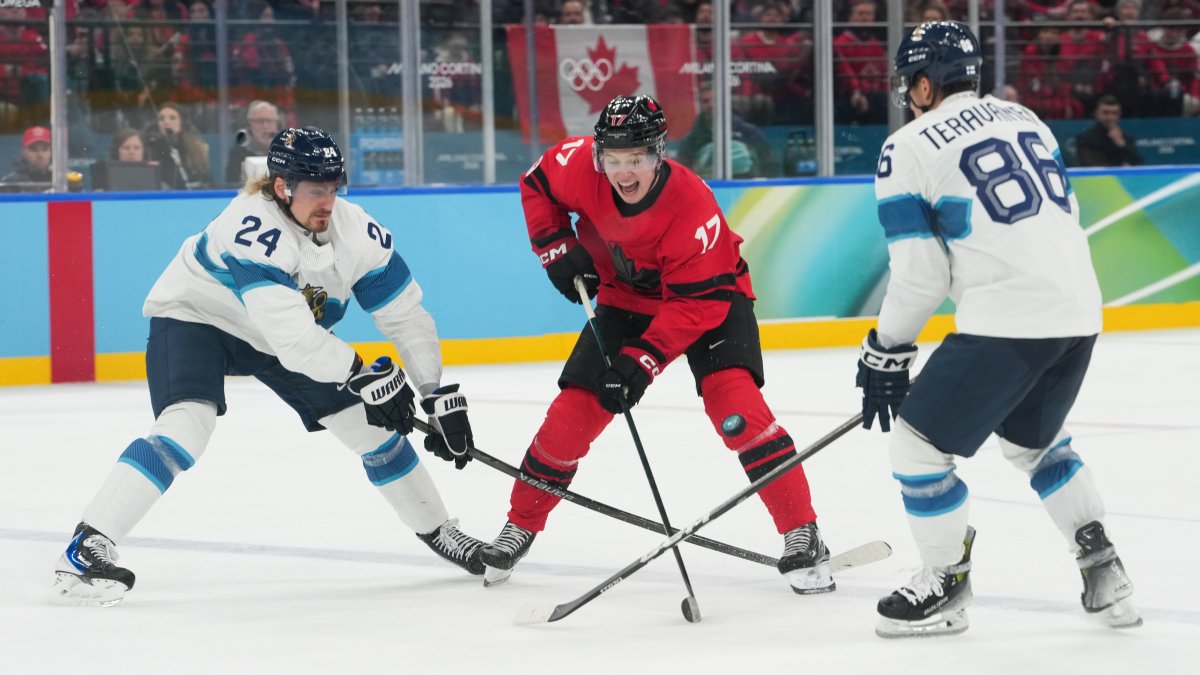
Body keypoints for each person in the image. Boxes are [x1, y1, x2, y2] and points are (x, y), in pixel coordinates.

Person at [52, 127, 486, 607]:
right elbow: (297, 343)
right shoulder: (251, 227)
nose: (328, 201)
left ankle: (441, 532)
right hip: (199, 317)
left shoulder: (356, 231)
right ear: (282, 187)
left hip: (279, 334)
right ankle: (89, 543)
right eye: (315, 189)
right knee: (186, 426)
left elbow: (406, 316)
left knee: (374, 433)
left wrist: (431, 390)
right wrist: (365, 374)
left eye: (335, 187)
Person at [477, 95, 835, 595]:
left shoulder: (692, 207)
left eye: (638, 159)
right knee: (569, 418)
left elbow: (697, 307)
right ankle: (520, 526)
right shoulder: (581, 164)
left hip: (710, 303)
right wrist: (553, 244)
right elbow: (536, 182)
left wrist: (641, 362)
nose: (623, 173)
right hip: (625, 301)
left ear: (660, 153)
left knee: (737, 410)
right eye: (613, 159)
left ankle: (802, 531)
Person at [859, 21, 1141, 638]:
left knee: (916, 447)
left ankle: (945, 582)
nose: (909, 94)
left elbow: (920, 275)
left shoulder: (906, 146)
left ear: (927, 83)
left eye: (912, 83)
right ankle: (1103, 564)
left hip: (1009, 318)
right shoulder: (1026, 119)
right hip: (1079, 310)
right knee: (1034, 442)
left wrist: (886, 349)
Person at [676, 82, 779, 178]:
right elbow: (681, 174)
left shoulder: (750, 134)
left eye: (715, 100)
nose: (711, 105)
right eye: (705, 101)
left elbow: (770, 168)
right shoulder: (692, 140)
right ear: (700, 105)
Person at [141, 101, 211, 189]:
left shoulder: (195, 148)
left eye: (172, 118)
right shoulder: (152, 148)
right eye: (161, 119)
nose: (166, 122)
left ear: (182, 122)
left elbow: (206, 179)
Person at [1075, 95, 1143, 166]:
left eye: (1114, 113)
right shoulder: (1085, 139)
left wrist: (1121, 144)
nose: (1110, 117)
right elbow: (1090, 164)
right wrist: (1120, 168)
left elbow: (1138, 163)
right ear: (1096, 113)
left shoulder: (1126, 138)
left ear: (1119, 115)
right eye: (1106, 112)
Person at [226, 100, 282, 185]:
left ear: (276, 124)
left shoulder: (286, 146)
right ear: (250, 124)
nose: (265, 126)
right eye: (259, 121)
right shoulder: (239, 150)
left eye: (270, 121)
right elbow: (231, 182)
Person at [0, 125, 51, 190]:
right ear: (23, 151)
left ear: (51, 151)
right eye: (33, 149)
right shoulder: (9, 183)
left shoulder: (62, 181)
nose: (40, 155)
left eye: (45, 149)